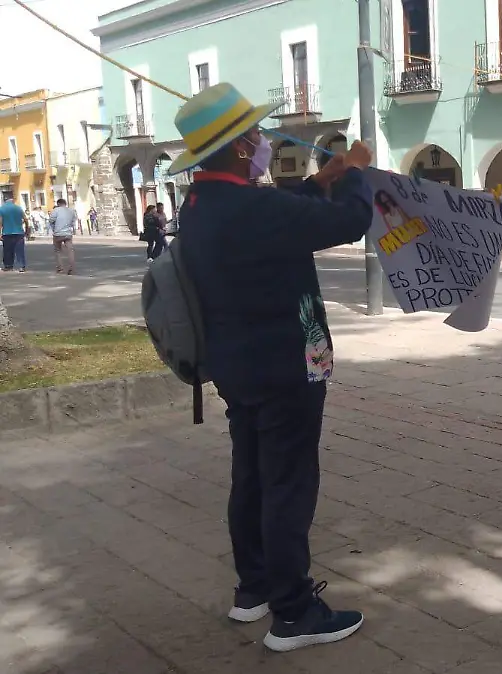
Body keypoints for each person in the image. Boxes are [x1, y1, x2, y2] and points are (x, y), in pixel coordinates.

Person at [170, 83, 374, 652]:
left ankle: (254, 588)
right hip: (286, 364)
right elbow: (349, 222)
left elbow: (281, 217)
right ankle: (294, 613)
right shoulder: (255, 208)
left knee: (253, 476)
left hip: (236, 364)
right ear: (241, 147)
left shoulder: (200, 205)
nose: (261, 142)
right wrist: (356, 172)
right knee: (288, 483)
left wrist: (320, 179)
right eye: (255, 135)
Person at [49, 198, 78, 275]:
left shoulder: (56, 210)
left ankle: (60, 268)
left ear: (58, 204)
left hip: (58, 233)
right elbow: (73, 221)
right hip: (68, 233)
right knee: (70, 250)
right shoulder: (71, 211)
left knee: (58, 251)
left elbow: (51, 220)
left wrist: (54, 228)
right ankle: (71, 269)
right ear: (65, 203)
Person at [0, 198, 28, 272]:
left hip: (7, 233)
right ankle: (21, 266)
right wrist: (27, 229)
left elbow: (0, 222)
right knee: (20, 250)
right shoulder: (18, 208)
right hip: (19, 232)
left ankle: (8, 266)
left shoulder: (1, 209)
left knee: (7, 250)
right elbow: (25, 219)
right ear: (13, 201)